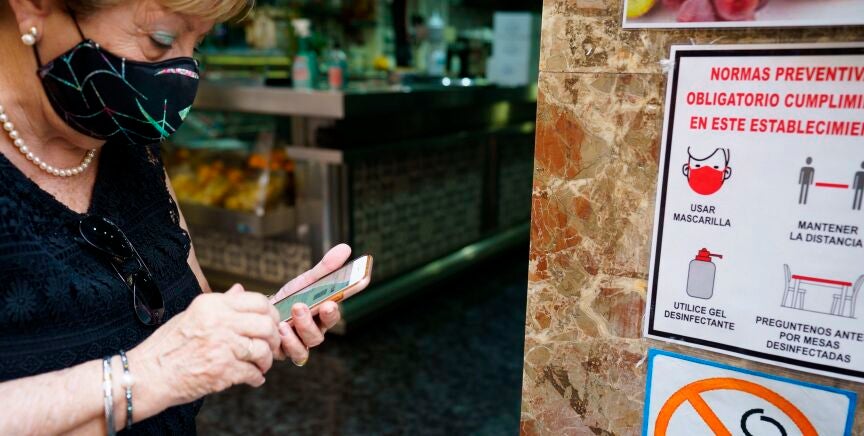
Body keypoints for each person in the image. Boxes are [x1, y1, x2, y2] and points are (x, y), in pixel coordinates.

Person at [0, 0, 347, 434]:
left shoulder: (127, 141)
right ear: (33, 7)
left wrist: (254, 322)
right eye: (160, 39)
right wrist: (150, 374)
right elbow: (164, 364)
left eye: (196, 45)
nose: (182, 74)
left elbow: (188, 305)